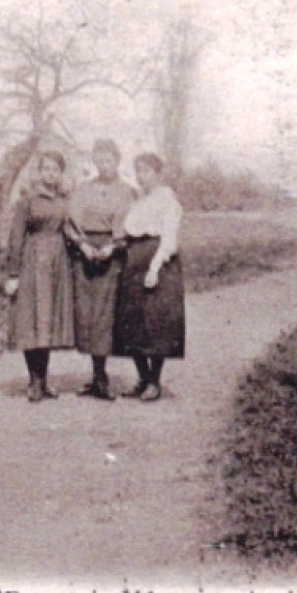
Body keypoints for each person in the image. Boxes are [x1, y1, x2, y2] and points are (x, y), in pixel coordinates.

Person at [63, 139, 135, 401]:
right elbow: (70, 221)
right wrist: (82, 245)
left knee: (105, 314)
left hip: (111, 254)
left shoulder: (127, 191)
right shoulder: (83, 190)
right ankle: (95, 374)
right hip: (85, 254)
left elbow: (130, 224)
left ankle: (103, 378)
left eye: (108, 160)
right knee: (87, 313)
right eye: (99, 160)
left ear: (117, 160)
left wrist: (113, 246)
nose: (103, 166)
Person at [112, 152, 185, 401]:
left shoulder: (168, 201)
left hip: (157, 262)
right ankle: (142, 378)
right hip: (134, 260)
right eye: (138, 171)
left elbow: (169, 239)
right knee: (133, 323)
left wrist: (154, 268)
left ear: (158, 173)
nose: (141, 177)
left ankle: (154, 381)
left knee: (156, 324)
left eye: (146, 171)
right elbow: (129, 231)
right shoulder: (140, 201)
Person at [5, 152, 77, 401]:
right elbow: (15, 238)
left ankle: (43, 381)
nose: (50, 174)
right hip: (33, 263)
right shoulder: (28, 200)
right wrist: (13, 274)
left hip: (58, 263)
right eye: (46, 169)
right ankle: (34, 381)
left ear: (61, 173)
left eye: (55, 170)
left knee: (46, 322)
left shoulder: (64, 200)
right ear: (39, 172)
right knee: (31, 320)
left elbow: (72, 230)